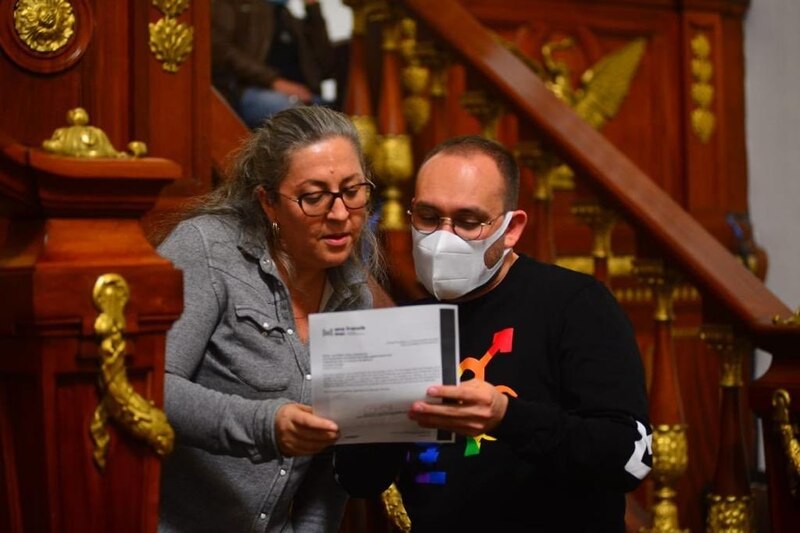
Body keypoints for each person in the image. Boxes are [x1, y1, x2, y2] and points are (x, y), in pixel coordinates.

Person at [334, 136, 652, 532]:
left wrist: (506, 417)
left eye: (468, 222)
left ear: (511, 228)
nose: (442, 238)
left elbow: (627, 457)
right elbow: (360, 480)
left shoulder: (574, 304)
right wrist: (357, 414)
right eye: (428, 217)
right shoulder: (408, 325)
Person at [157, 106, 389, 532]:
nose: (339, 214)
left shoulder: (355, 293)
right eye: (314, 197)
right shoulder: (208, 249)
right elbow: (154, 388)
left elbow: (332, 460)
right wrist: (266, 424)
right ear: (268, 202)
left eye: (353, 191)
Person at [211, 0, 336, 129]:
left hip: (304, 96)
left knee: (337, 118)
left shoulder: (290, 18)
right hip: (251, 90)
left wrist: (313, 9)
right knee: (295, 116)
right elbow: (223, 52)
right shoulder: (238, 7)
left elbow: (325, 65)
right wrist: (273, 81)